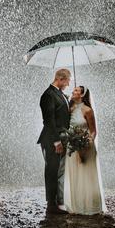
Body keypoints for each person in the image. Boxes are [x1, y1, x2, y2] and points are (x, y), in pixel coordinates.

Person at [63, 85, 106, 215]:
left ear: (82, 95)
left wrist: (86, 143)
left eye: (76, 90)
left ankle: (90, 206)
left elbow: (93, 131)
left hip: (86, 146)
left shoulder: (88, 111)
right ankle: (77, 206)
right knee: (75, 175)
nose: (73, 91)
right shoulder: (69, 109)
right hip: (72, 147)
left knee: (87, 176)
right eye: (74, 89)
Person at [37, 68, 71, 214]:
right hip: (51, 140)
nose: (69, 84)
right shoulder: (48, 95)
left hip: (61, 137)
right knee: (51, 171)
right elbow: (49, 121)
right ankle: (51, 205)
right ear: (60, 79)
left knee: (58, 171)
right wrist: (57, 142)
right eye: (68, 80)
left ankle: (57, 202)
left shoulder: (60, 94)